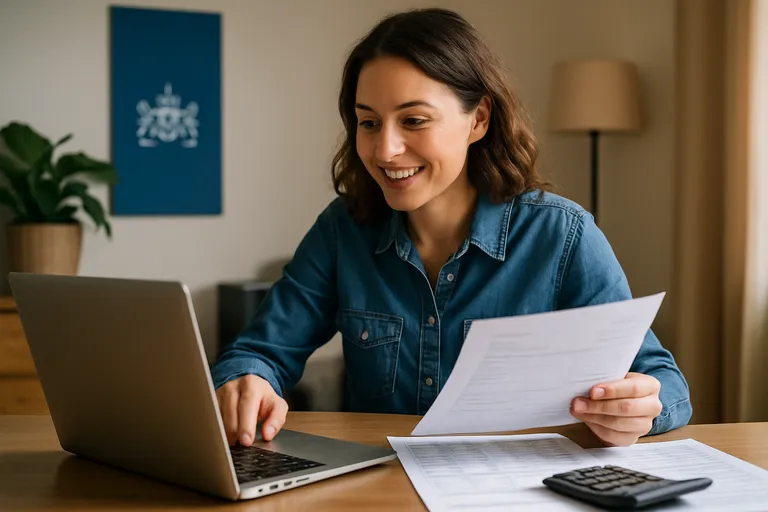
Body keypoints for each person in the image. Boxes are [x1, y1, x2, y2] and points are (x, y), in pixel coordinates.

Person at [211, 8, 691, 449]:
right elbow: (259, 352)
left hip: (517, 491)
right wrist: (248, 380)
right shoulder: (343, 230)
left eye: (414, 120)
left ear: (478, 119)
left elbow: (663, 383)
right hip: (379, 487)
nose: (385, 150)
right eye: (369, 123)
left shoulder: (562, 236)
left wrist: (638, 409)